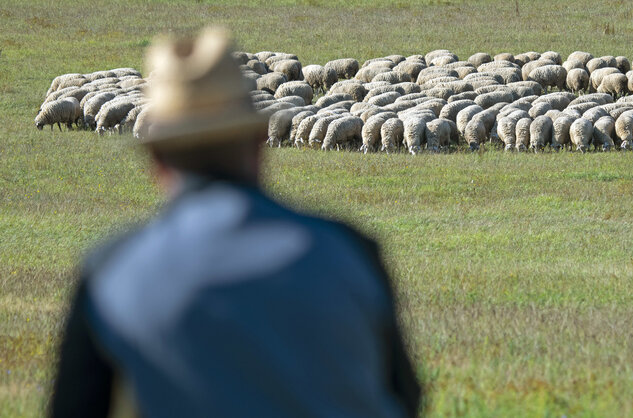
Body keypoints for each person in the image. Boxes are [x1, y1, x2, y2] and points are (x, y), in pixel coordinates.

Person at [50, 27, 420, 418]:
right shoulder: (351, 250)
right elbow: (403, 396)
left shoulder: (111, 272)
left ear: (155, 158)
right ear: (260, 142)